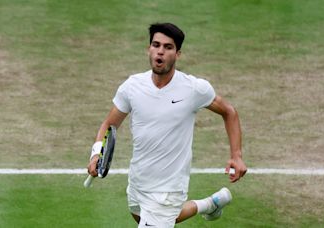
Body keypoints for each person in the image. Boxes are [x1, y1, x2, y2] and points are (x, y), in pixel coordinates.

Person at [87, 22, 247, 227]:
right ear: (148, 49)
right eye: (156, 45)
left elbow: (229, 112)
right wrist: (95, 154)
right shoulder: (132, 87)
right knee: (140, 216)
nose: (160, 52)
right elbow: (109, 124)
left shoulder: (193, 89)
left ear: (177, 54)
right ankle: (210, 204)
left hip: (168, 187)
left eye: (168, 47)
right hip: (138, 180)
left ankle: (207, 204)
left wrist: (236, 156)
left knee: (159, 216)